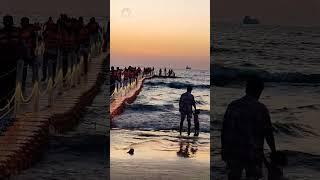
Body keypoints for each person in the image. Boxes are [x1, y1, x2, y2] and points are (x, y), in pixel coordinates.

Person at [221, 77, 276, 180]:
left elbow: (225, 130)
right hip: (253, 152)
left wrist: (224, 149)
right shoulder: (261, 109)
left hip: (234, 151)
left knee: (233, 176)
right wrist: (273, 151)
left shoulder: (233, 106)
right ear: (259, 90)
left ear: (246, 89)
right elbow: (268, 133)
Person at [0, 15, 22, 107]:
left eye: (8, 21)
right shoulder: (1, 32)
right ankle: (3, 101)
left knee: (11, 82)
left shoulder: (16, 32)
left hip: (13, 61)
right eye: (6, 21)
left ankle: (11, 100)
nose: (7, 23)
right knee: (4, 82)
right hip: (2, 61)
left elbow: (21, 45)